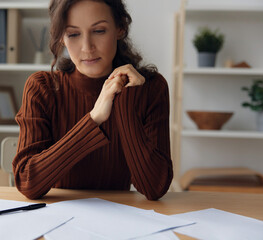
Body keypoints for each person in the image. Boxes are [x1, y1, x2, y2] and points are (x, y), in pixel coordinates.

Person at [13, 0, 173, 200]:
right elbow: (28, 182)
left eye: (99, 31)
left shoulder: (150, 88)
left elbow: (154, 188)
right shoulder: (42, 88)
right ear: (61, 37)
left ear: (120, 28)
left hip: (122, 219)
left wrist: (124, 104)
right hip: (58, 218)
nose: (87, 47)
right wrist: (94, 119)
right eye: (73, 34)